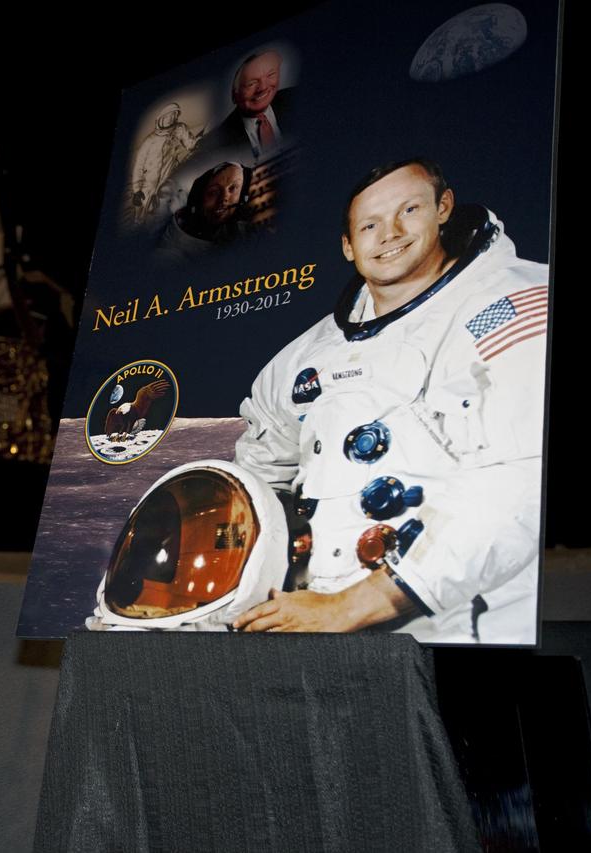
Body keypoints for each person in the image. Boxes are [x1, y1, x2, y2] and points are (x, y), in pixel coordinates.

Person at [232, 159, 549, 644]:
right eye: (369, 225)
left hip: (465, 634)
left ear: (444, 208)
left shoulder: (514, 303)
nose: (390, 234)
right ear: (348, 245)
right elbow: (256, 476)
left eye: (409, 210)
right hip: (320, 619)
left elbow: (519, 482)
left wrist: (356, 604)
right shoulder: (304, 358)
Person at [202, 50, 295, 162]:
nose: (263, 88)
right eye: (251, 84)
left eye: (271, 75)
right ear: (234, 95)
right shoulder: (219, 142)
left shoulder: (296, 97)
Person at [155, 161, 252, 261]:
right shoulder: (170, 255)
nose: (224, 198)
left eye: (233, 188)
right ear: (198, 198)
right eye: (213, 192)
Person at [130, 103, 201, 224]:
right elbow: (138, 167)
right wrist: (137, 190)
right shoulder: (150, 141)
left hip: (167, 178)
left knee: (162, 212)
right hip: (149, 184)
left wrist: (197, 143)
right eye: (169, 116)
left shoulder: (178, 130)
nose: (172, 119)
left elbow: (190, 144)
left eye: (175, 116)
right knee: (141, 212)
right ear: (162, 118)